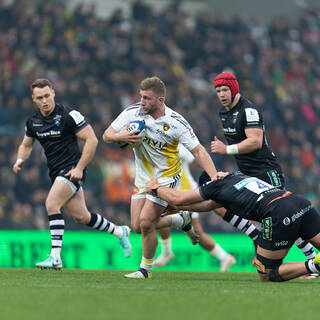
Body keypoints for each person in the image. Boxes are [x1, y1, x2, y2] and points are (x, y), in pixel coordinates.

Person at [102, 76, 217, 279]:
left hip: (167, 176)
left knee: (147, 222)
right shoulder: (132, 112)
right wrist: (121, 137)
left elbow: (198, 151)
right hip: (143, 178)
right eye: (141, 97)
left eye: (147, 98)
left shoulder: (176, 122)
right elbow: (107, 135)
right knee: (137, 226)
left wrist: (214, 175)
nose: (142, 102)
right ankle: (180, 219)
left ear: (160, 100)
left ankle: (145, 270)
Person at [12, 78, 132, 269]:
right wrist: (20, 159)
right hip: (56, 173)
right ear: (33, 99)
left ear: (53, 93)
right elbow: (26, 145)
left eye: (46, 96)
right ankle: (119, 232)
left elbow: (92, 140)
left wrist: (79, 168)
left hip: (71, 170)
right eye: (39, 98)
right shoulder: (33, 121)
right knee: (81, 216)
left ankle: (55, 257)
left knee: (51, 203)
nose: (44, 101)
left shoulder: (69, 115)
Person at [211, 72, 317, 277]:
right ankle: (255, 236)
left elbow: (255, 142)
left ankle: (312, 257)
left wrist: (226, 150)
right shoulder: (223, 113)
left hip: (266, 172)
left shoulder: (249, 110)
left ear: (234, 89)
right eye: (218, 91)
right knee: (219, 199)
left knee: (285, 216)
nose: (222, 94)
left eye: (225, 89)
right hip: (246, 174)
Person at [146, 171, 320, 282]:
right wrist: (181, 208)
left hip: (278, 212)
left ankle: (315, 265)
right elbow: (208, 206)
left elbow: (178, 198)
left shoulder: (214, 186)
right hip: (298, 201)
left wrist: (155, 188)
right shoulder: (236, 176)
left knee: (267, 274)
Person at [154, 144, 236, 271]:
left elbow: (197, 159)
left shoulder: (176, 145)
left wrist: (213, 173)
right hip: (171, 191)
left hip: (185, 192)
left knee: (196, 233)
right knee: (157, 216)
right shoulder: (155, 144)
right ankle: (167, 250)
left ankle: (224, 257)